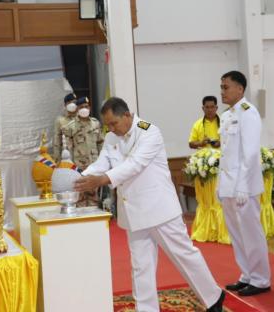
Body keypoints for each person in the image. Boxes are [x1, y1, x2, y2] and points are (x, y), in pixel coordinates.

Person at [74, 97, 225, 312]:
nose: (111, 128)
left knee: (184, 254)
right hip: (132, 211)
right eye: (108, 125)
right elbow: (103, 162)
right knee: (140, 266)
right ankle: (146, 309)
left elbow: (135, 165)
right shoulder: (110, 137)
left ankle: (213, 296)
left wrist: (102, 180)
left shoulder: (149, 131)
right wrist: (81, 177)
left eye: (114, 123)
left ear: (127, 115)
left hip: (159, 209)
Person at [218, 70, 271, 296]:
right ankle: (247, 274)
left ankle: (261, 279)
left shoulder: (249, 113)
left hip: (244, 187)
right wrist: (222, 186)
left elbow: (249, 154)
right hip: (229, 185)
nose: (222, 91)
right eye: (221, 87)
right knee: (237, 234)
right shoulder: (227, 115)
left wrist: (241, 186)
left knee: (251, 232)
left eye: (226, 87)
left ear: (240, 88)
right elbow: (226, 155)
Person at [188, 95, 230, 244]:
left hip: (222, 167)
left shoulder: (224, 122)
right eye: (207, 107)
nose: (210, 110)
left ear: (217, 108)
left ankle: (222, 230)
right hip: (204, 167)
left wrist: (221, 142)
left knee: (220, 199)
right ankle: (206, 228)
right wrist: (201, 142)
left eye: (213, 107)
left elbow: (232, 140)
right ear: (203, 108)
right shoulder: (198, 124)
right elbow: (191, 143)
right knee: (207, 200)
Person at [52, 93, 77, 162]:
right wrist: (57, 160)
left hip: (82, 158)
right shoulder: (60, 121)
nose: (72, 104)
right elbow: (57, 143)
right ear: (65, 105)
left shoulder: (81, 119)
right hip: (68, 157)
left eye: (74, 102)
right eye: (69, 102)